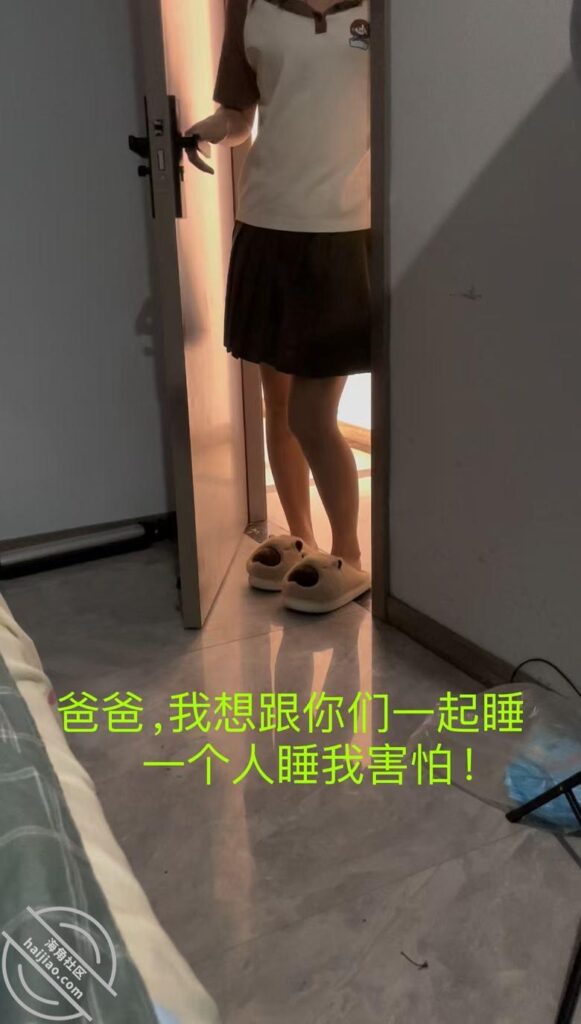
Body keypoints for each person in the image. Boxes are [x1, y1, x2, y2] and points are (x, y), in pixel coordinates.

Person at [187, 0, 372, 614]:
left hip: (346, 227)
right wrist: (215, 128)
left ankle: (349, 554)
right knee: (278, 405)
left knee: (313, 415)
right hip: (266, 222)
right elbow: (240, 116)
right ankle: (300, 539)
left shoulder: (383, 11)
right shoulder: (249, 6)